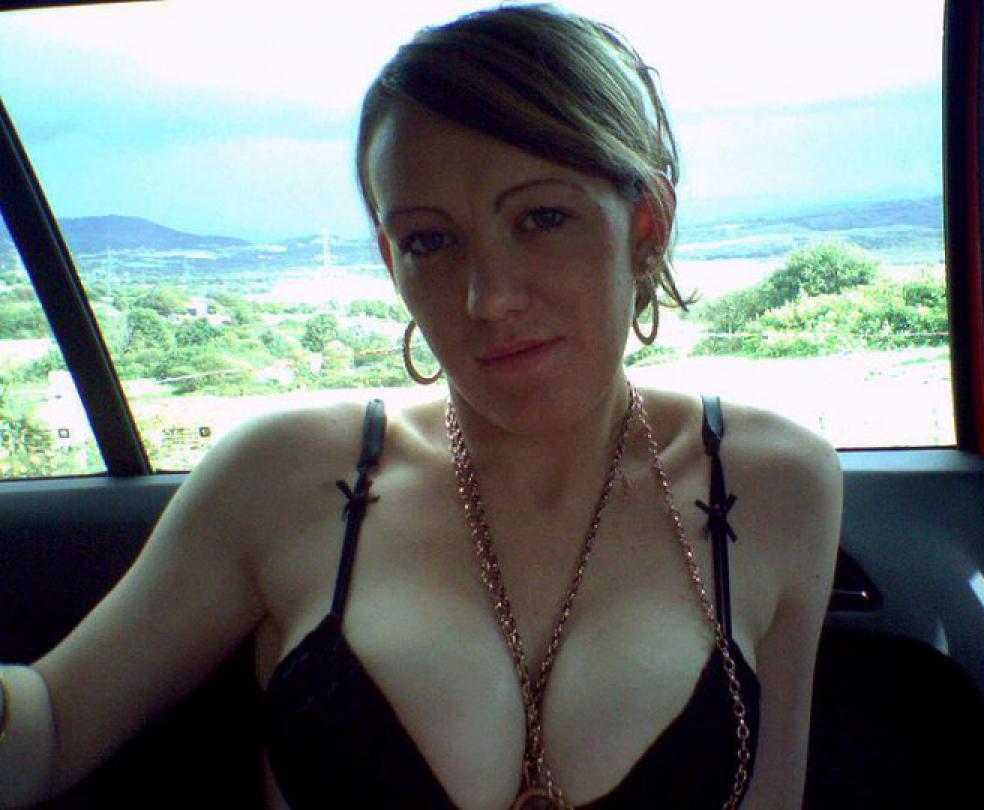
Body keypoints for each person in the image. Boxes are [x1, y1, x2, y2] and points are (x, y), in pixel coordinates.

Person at [0, 4, 842, 808]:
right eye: (430, 241)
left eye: (542, 218)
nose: (488, 298)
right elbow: (50, 727)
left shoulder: (774, 481)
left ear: (646, 226)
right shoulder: (283, 476)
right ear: (389, 258)